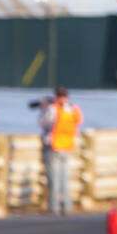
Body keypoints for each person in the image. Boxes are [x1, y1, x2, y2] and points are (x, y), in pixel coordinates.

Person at [39, 86, 82, 214]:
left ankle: (54, 207)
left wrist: (43, 108)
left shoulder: (53, 109)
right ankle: (67, 205)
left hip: (54, 146)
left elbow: (43, 123)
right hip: (67, 145)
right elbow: (78, 122)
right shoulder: (74, 109)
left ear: (56, 96)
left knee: (54, 178)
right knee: (64, 178)